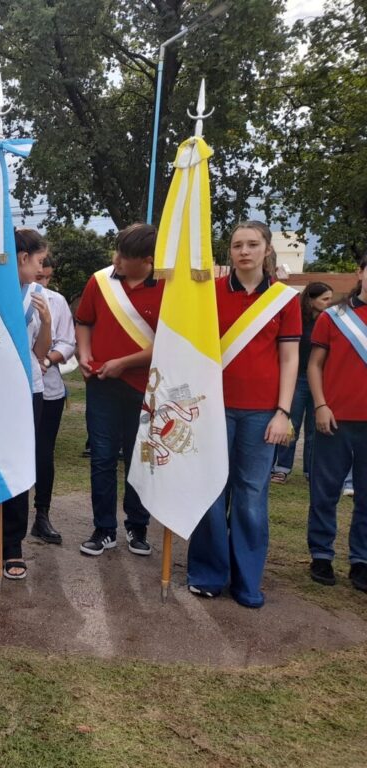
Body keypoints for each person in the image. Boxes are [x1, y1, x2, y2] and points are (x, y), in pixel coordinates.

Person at [187, 221, 300, 608]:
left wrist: (283, 412)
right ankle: (208, 574)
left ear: (267, 249)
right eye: (237, 245)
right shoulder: (210, 294)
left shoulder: (285, 299)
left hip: (262, 413)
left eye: (252, 244)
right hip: (213, 409)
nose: (244, 251)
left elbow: (290, 358)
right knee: (211, 492)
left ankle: (247, 579)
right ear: (230, 251)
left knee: (251, 496)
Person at [75, 223, 164, 557]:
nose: (118, 261)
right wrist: (84, 355)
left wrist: (124, 363)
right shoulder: (100, 281)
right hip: (102, 383)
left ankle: (137, 526)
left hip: (147, 387)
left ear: (148, 260)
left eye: (126, 257)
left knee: (141, 459)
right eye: (118, 253)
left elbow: (170, 343)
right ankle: (104, 529)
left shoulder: (168, 286)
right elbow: (84, 321)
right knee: (102, 457)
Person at [0, 229, 51, 579]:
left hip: (27, 389)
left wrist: (46, 323)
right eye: (39, 261)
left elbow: (42, 353)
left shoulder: (40, 296)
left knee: (18, 466)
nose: (41, 268)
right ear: (22, 257)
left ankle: (13, 544)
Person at [305, 255, 367, 591]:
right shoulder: (334, 316)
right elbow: (315, 365)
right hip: (335, 417)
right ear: (360, 272)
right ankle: (321, 554)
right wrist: (320, 404)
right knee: (325, 492)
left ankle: (361, 560)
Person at [33, 253, 76, 545]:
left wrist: (48, 360)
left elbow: (67, 342)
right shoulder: (11, 297)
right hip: (15, 390)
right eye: (39, 277)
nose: (43, 283)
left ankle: (42, 514)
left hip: (48, 388)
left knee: (43, 452)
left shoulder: (56, 301)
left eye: (47, 278)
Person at [271, 281, 333, 483]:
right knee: (292, 425)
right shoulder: (298, 320)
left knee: (314, 428)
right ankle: (282, 467)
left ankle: (310, 471)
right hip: (297, 378)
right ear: (311, 300)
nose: (329, 303)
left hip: (319, 380)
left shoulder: (328, 321)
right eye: (325, 299)